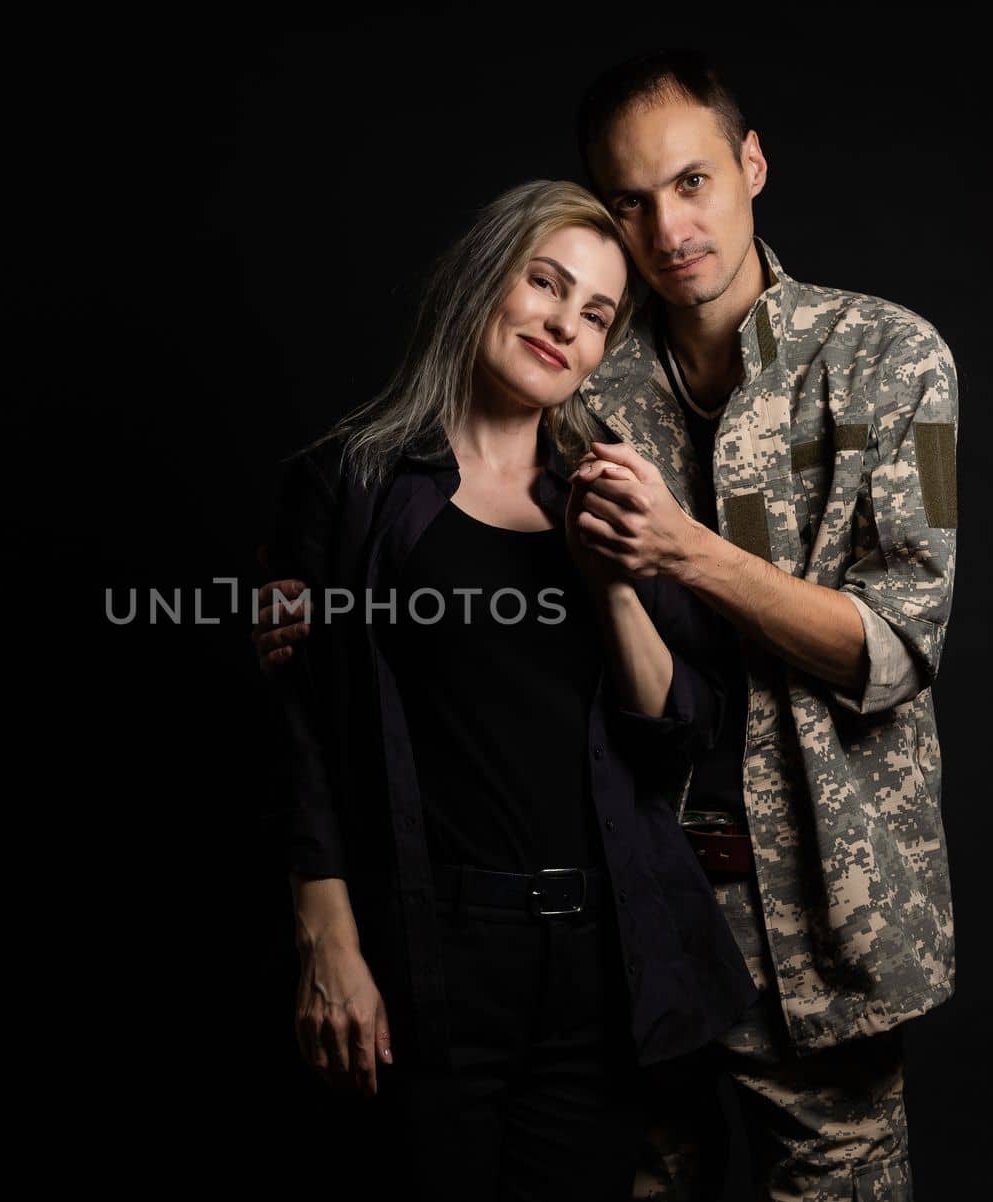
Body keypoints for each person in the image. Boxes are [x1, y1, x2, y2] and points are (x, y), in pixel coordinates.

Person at [257, 51, 958, 1202]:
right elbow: (427, 559)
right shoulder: (575, 373)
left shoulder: (889, 359)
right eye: (629, 199)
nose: (665, 224)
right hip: (630, 926)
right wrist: (310, 611)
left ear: (752, 165)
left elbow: (891, 652)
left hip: (826, 921)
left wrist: (683, 550)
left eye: (691, 182)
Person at [258, 179, 756, 1200]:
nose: (563, 326)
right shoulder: (350, 484)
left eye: (595, 315)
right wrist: (327, 934)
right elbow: (301, 729)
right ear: (488, 276)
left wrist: (615, 585)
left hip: (593, 969)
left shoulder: (611, 492)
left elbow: (681, 735)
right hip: (424, 955)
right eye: (546, 284)